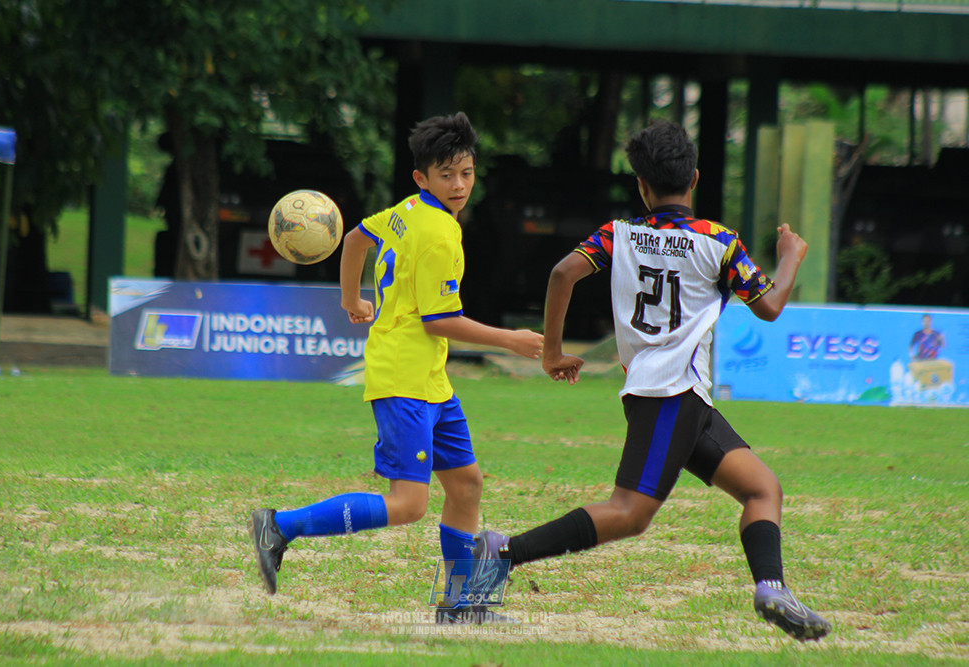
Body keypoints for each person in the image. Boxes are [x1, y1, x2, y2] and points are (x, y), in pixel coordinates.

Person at [471, 119, 832, 642]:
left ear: (641, 186)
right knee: (629, 513)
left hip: (677, 395)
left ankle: (771, 588)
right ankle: (501, 553)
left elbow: (560, 274)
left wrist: (552, 352)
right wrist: (791, 258)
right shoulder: (718, 241)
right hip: (670, 393)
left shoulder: (618, 235)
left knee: (762, 488)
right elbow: (770, 305)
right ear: (696, 179)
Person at [250, 112, 544, 624]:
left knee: (467, 484)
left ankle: (458, 604)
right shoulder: (438, 234)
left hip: (430, 379)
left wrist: (352, 300)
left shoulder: (408, 209)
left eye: (467, 173)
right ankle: (280, 526)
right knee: (409, 504)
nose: (458, 185)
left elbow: (356, 239)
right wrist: (509, 340)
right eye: (446, 174)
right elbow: (440, 321)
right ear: (422, 178)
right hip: (405, 378)